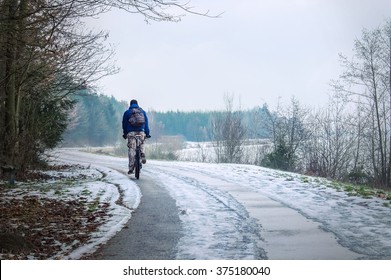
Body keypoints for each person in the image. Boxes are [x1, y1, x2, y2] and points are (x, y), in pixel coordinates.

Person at [122, 99, 151, 174]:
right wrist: (147, 133)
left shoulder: (127, 112)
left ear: (130, 104)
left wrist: (125, 133)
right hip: (141, 132)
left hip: (131, 133)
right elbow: (146, 124)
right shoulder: (142, 112)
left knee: (132, 148)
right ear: (137, 104)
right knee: (142, 143)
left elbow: (124, 124)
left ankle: (131, 168)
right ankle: (142, 153)